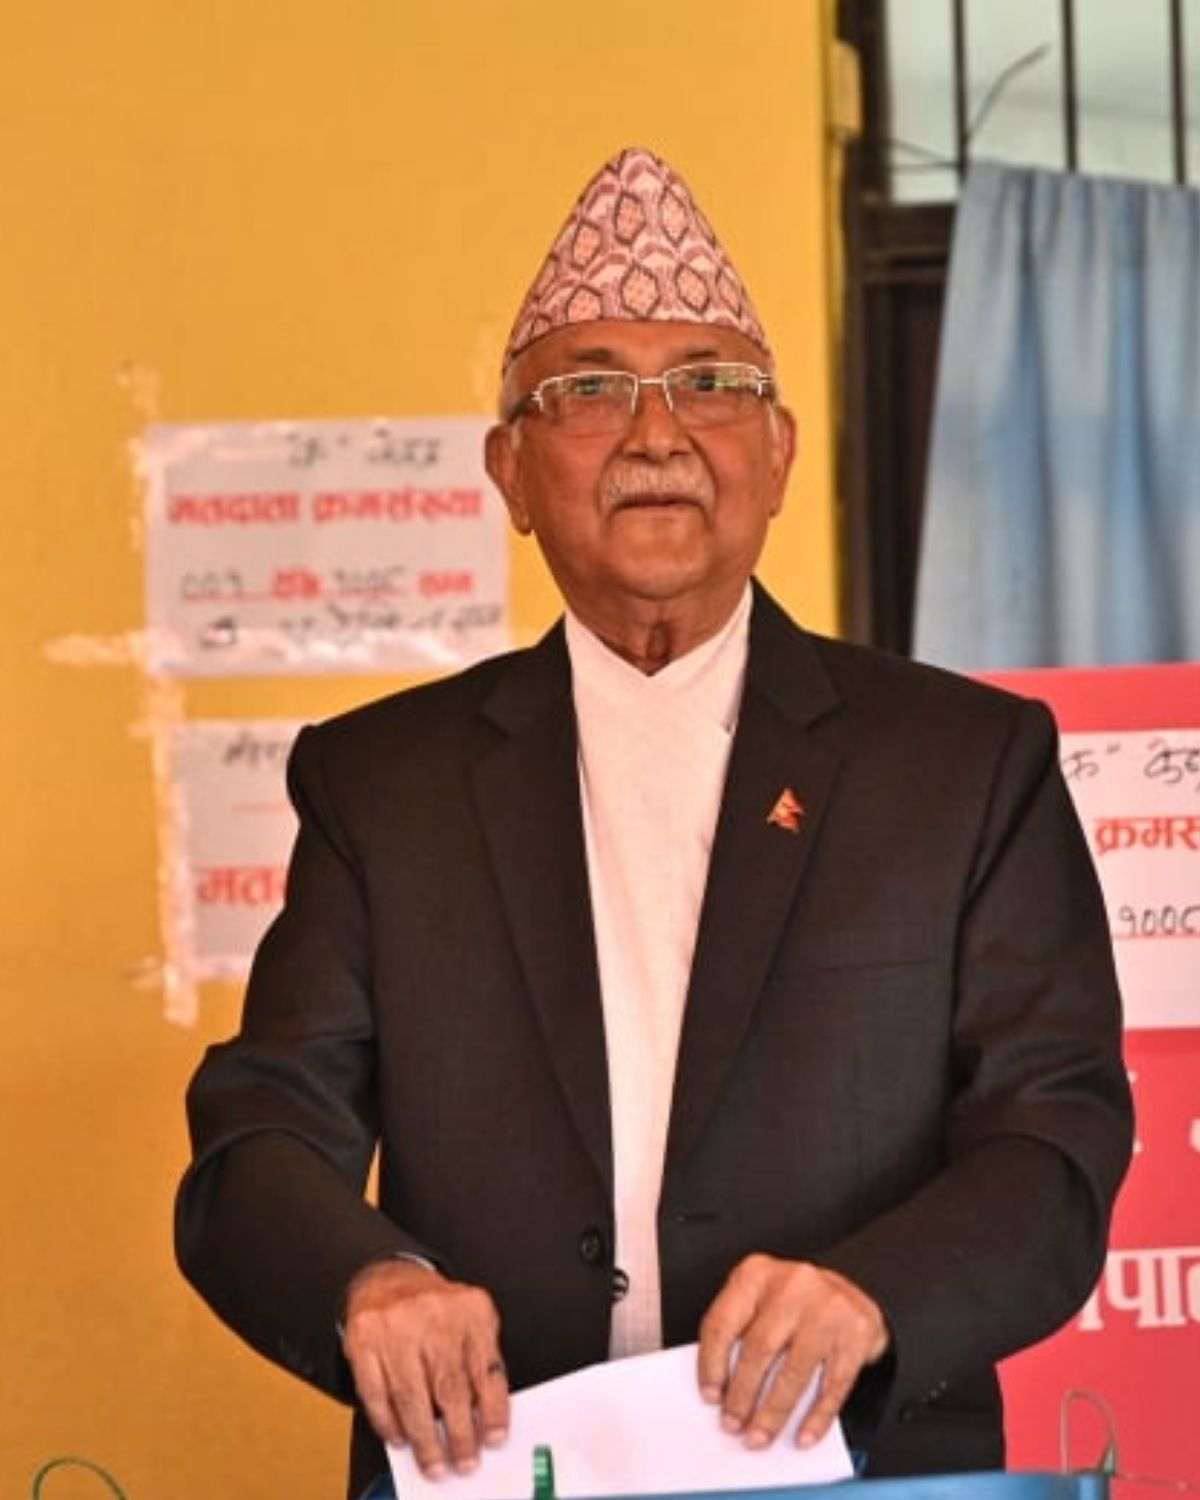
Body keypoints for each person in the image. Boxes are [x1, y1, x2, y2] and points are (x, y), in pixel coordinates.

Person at [176, 147, 1133, 1498]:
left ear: (778, 455)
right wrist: (367, 1278)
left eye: (710, 384)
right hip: (491, 1471)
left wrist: (875, 1294)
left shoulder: (964, 764)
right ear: (511, 472)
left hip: (867, 1475)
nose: (657, 435)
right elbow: (263, 1129)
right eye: (590, 390)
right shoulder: (383, 783)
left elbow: (1053, 1138)